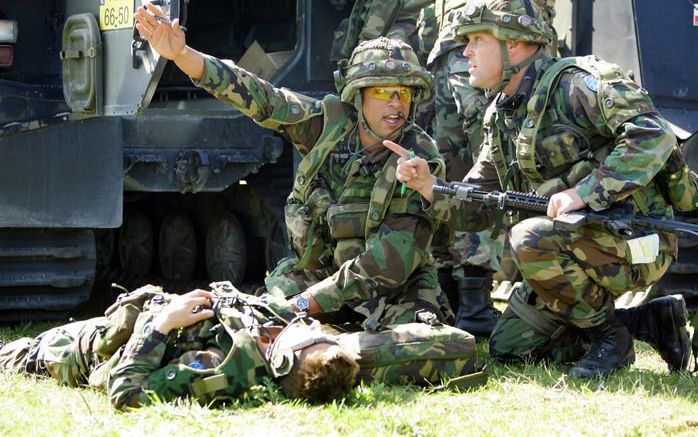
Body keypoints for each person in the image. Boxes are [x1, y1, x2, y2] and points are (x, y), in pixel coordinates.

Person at [389, 0, 692, 377]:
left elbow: (654, 135)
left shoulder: (576, 84)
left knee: (527, 237)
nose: (464, 51)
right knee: (510, 348)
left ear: (513, 44)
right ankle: (648, 322)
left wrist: (582, 193)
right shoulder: (503, 115)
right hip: (579, 241)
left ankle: (609, 337)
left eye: (476, 39)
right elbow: (479, 204)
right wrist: (429, 187)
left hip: (640, 239)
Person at [134, 4, 453, 330]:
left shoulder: (417, 160)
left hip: (393, 293)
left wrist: (302, 305)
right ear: (358, 95)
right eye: (384, 91)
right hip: (321, 278)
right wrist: (182, 54)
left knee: (411, 346)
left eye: (404, 93)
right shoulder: (327, 128)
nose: (396, 104)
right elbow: (260, 96)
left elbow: (389, 264)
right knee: (255, 322)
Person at [0, 287, 359, 409]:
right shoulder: (271, 335)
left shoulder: (215, 369)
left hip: (74, 352)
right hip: (109, 328)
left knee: (13, 355)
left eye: (307, 334)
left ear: (282, 360)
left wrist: (163, 323)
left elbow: (126, 393)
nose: (309, 324)